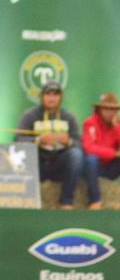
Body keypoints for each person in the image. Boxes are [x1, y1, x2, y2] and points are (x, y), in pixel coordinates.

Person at [15, 80, 83, 209]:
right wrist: (38, 140)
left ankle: (66, 202)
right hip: (37, 164)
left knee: (76, 155)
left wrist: (69, 142)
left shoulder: (69, 117)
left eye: (56, 94)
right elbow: (17, 141)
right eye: (48, 94)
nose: (52, 98)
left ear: (61, 98)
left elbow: (80, 145)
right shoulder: (30, 115)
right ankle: (28, 201)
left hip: (59, 164)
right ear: (42, 97)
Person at [81, 92, 120, 210]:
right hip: (93, 169)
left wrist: (116, 128)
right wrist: (114, 153)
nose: (110, 112)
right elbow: (89, 148)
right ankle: (95, 201)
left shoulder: (117, 125)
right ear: (100, 109)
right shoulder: (90, 123)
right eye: (107, 109)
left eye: (113, 109)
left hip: (111, 168)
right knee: (91, 160)